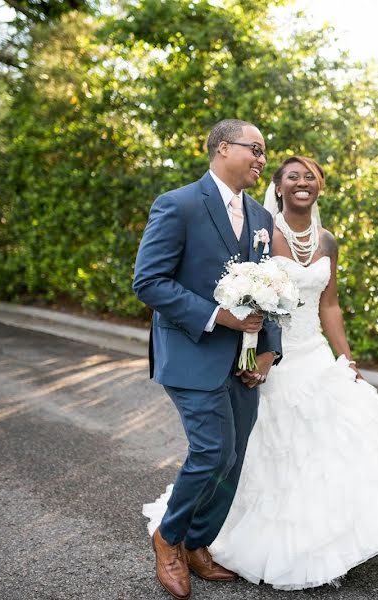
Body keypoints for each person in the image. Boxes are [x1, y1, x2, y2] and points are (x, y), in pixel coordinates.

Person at [144, 156, 378, 591]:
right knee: (222, 452)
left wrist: (344, 358)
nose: (303, 182)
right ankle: (175, 538)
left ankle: (236, 541)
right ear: (278, 187)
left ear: (321, 186)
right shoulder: (249, 224)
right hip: (247, 352)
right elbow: (241, 292)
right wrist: (256, 347)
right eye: (292, 176)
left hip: (306, 353)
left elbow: (328, 304)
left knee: (289, 454)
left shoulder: (313, 236)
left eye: (312, 177)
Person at [134, 119, 283, 600]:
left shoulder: (261, 218)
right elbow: (150, 282)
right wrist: (220, 316)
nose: (262, 159)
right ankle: (169, 537)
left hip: (243, 362)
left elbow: (271, 292)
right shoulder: (177, 204)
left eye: (264, 152)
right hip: (191, 349)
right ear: (223, 148)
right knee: (212, 451)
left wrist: (267, 352)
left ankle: (199, 543)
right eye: (254, 149)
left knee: (234, 458)